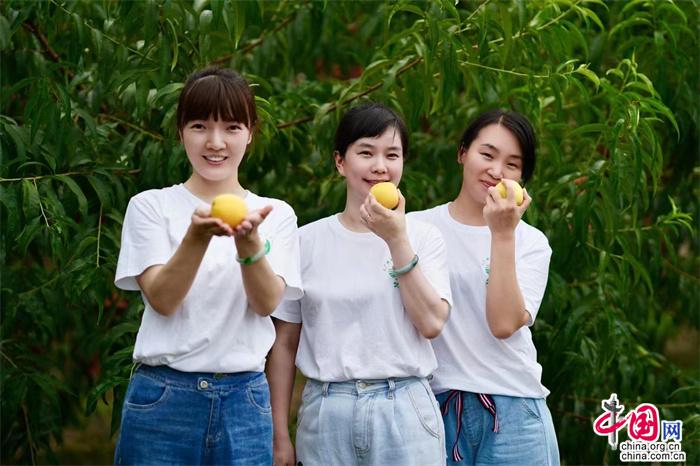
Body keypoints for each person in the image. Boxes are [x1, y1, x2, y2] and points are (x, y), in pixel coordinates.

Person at [113, 67, 302, 465]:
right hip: (164, 399)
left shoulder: (276, 214)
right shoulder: (150, 207)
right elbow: (163, 299)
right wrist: (196, 237)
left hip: (245, 401)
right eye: (200, 126)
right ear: (180, 131)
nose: (215, 142)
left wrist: (248, 242)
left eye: (232, 127)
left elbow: (267, 303)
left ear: (250, 133)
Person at [268, 102, 453, 466]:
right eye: (366, 152)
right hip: (326, 413)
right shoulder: (306, 241)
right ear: (340, 162)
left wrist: (396, 240)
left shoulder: (424, 237)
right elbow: (284, 344)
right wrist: (279, 435)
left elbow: (432, 323)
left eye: (392, 155)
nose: (380, 166)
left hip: (404, 410)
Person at [409, 109, 559, 465]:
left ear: (523, 177)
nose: (496, 171)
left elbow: (503, 324)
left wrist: (503, 233)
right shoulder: (416, 229)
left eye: (512, 164)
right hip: (437, 409)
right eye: (487, 154)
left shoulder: (531, 242)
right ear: (463, 152)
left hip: (514, 411)